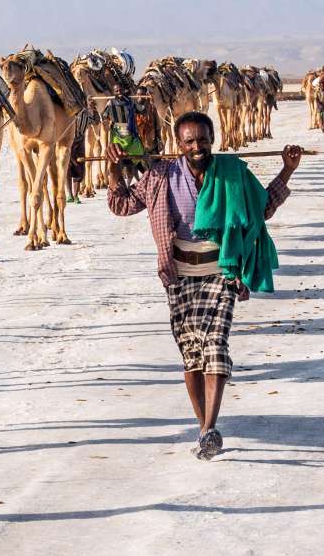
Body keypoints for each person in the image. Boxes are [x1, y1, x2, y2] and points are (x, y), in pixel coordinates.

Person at [106, 112, 300, 460]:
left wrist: (287, 169)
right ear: (178, 145)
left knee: (215, 346)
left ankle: (211, 426)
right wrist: (114, 171)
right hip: (179, 276)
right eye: (189, 141)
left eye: (203, 139)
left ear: (213, 139)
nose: (197, 147)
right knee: (192, 355)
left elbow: (263, 209)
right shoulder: (159, 176)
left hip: (221, 272)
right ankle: (204, 430)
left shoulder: (232, 173)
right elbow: (121, 205)